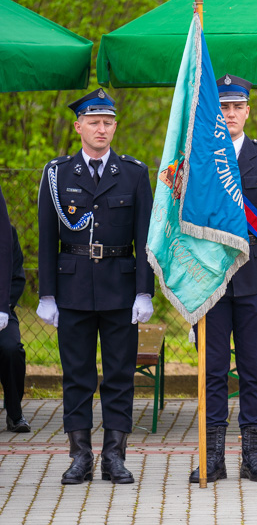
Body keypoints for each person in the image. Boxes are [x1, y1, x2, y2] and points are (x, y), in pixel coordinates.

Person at [36, 89, 155, 484]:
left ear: (115, 126)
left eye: (107, 122)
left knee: (119, 375)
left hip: (120, 287)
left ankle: (114, 457)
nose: (101, 129)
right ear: (78, 127)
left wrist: (145, 291)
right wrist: (47, 294)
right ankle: (80, 456)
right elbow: (46, 237)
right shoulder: (57, 174)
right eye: (93, 122)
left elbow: (145, 236)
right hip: (72, 289)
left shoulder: (135, 173)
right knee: (78, 376)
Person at [190, 75, 257, 484]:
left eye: (237, 107)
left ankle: (253, 456)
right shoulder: (199, 157)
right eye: (224, 108)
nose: (230, 114)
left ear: (248, 110)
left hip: (254, 281)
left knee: (253, 371)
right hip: (211, 282)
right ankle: (212, 456)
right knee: (212, 372)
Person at [1, 226, 28, 433]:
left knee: (12, 349)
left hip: (1, 312)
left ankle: (14, 413)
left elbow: (17, 278)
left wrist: (3, 307)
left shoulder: (7, 233)